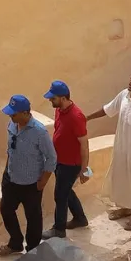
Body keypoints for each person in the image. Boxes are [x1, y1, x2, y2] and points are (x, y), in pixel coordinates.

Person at [86, 71, 131, 231]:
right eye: (130, 79)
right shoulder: (124, 95)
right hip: (122, 148)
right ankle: (126, 207)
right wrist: (87, 118)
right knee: (122, 178)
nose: (130, 82)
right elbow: (107, 110)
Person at [0, 95, 56, 256]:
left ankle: (32, 249)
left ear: (25, 113)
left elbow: (51, 158)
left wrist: (43, 182)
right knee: (6, 210)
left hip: (31, 184)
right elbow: (11, 149)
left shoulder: (39, 131)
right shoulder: (12, 124)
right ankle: (16, 242)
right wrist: (6, 170)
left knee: (33, 218)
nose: (11, 116)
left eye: (14, 114)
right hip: (11, 179)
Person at [42, 81, 90, 240]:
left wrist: (84, 169)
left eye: (53, 98)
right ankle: (80, 218)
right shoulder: (59, 110)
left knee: (60, 195)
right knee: (66, 191)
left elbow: (84, 144)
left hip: (70, 164)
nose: (50, 101)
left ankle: (59, 229)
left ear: (63, 98)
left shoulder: (76, 116)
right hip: (59, 160)